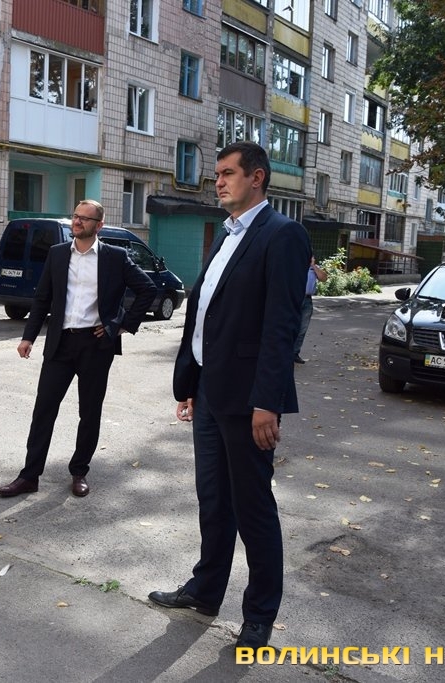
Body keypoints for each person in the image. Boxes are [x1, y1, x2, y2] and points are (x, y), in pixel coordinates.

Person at [148, 142, 310, 652]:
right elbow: (207, 313)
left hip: (248, 401)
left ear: (256, 177)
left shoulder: (282, 235)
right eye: (216, 174)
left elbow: (281, 326)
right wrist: (192, 384)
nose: (217, 182)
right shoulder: (226, 232)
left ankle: (259, 616)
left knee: (253, 507)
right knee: (213, 500)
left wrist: (267, 402)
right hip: (210, 391)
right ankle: (205, 590)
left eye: (227, 173)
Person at [0, 200, 156, 499]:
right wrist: (28, 337)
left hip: (96, 345)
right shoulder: (57, 254)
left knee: (89, 412)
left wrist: (119, 325)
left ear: (99, 225)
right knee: (44, 410)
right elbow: (42, 299)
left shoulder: (115, 257)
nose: (77, 222)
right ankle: (29, 476)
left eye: (85, 218)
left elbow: (147, 288)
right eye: (75, 216)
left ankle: (79, 471)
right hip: (61, 343)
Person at [293, 256, 328, 364]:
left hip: (307, 300)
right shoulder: (295, 265)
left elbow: (324, 278)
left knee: (302, 329)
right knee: (291, 327)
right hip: (295, 298)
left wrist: (313, 266)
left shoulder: (314, 268)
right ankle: (285, 353)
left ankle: (294, 353)